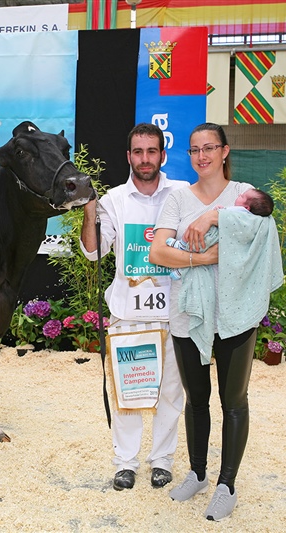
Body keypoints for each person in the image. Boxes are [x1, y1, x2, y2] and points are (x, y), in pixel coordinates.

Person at [149, 123, 282, 521]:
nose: (201, 156)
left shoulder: (244, 196)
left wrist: (212, 215)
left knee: (233, 399)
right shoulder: (175, 198)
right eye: (194, 150)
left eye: (209, 148)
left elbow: (264, 233)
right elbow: (158, 252)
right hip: (189, 314)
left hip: (235, 315)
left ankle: (227, 484)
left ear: (225, 151)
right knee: (196, 398)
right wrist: (205, 258)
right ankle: (198, 473)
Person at [80, 123, 189, 491]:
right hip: (129, 311)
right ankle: (125, 463)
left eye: (152, 151)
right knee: (127, 391)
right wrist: (89, 207)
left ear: (162, 155)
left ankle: (161, 460)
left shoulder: (182, 194)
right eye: (138, 152)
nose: (145, 159)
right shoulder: (113, 200)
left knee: (171, 392)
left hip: (173, 311)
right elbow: (93, 251)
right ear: (128, 157)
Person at [166, 189, 274, 280]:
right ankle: (181, 271)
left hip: (212, 238)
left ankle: (181, 245)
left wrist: (216, 212)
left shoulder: (240, 212)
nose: (239, 195)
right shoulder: (251, 219)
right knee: (198, 247)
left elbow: (225, 217)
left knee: (193, 231)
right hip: (219, 242)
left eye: (242, 196)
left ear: (246, 208)